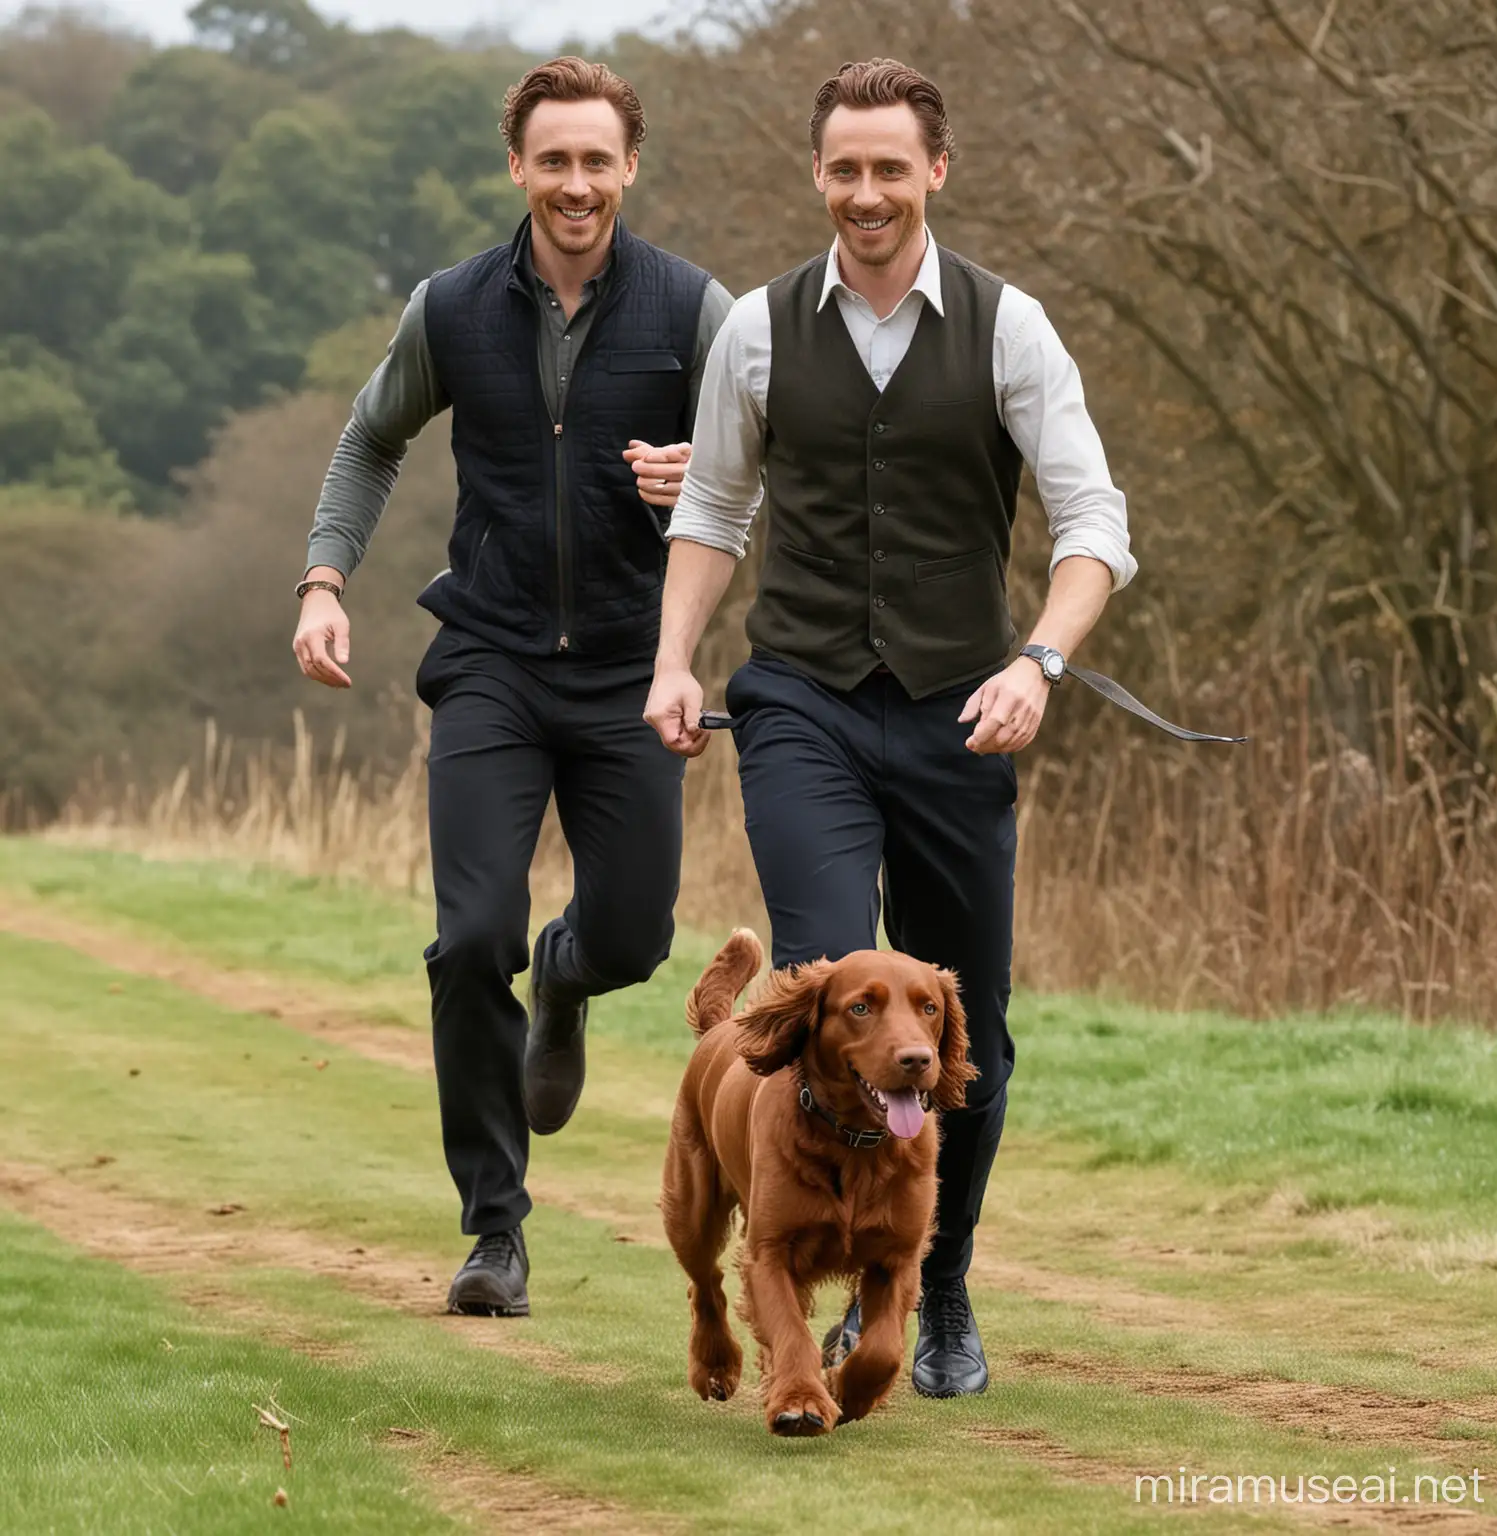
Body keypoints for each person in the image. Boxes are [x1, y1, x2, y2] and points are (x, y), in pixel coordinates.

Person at [644, 57, 1136, 1398]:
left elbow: (1095, 526)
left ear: (936, 171)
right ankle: (794, 1276)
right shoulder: (755, 330)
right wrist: (679, 660)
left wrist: (1039, 659)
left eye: (890, 168)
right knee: (822, 982)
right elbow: (715, 511)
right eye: (844, 169)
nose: (867, 192)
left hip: (957, 712)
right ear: (818, 175)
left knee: (970, 1023)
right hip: (797, 693)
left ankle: (938, 1282)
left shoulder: (1008, 327)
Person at [292, 57, 731, 1319]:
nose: (577, 182)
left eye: (599, 160)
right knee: (466, 939)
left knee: (639, 935)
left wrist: (701, 480)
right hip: (486, 659)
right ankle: (495, 1230)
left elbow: (765, 470)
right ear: (518, 168)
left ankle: (573, 974)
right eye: (555, 160)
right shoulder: (451, 309)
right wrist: (324, 580)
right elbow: (370, 439)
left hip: (632, 669)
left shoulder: (696, 311)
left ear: (629, 167)